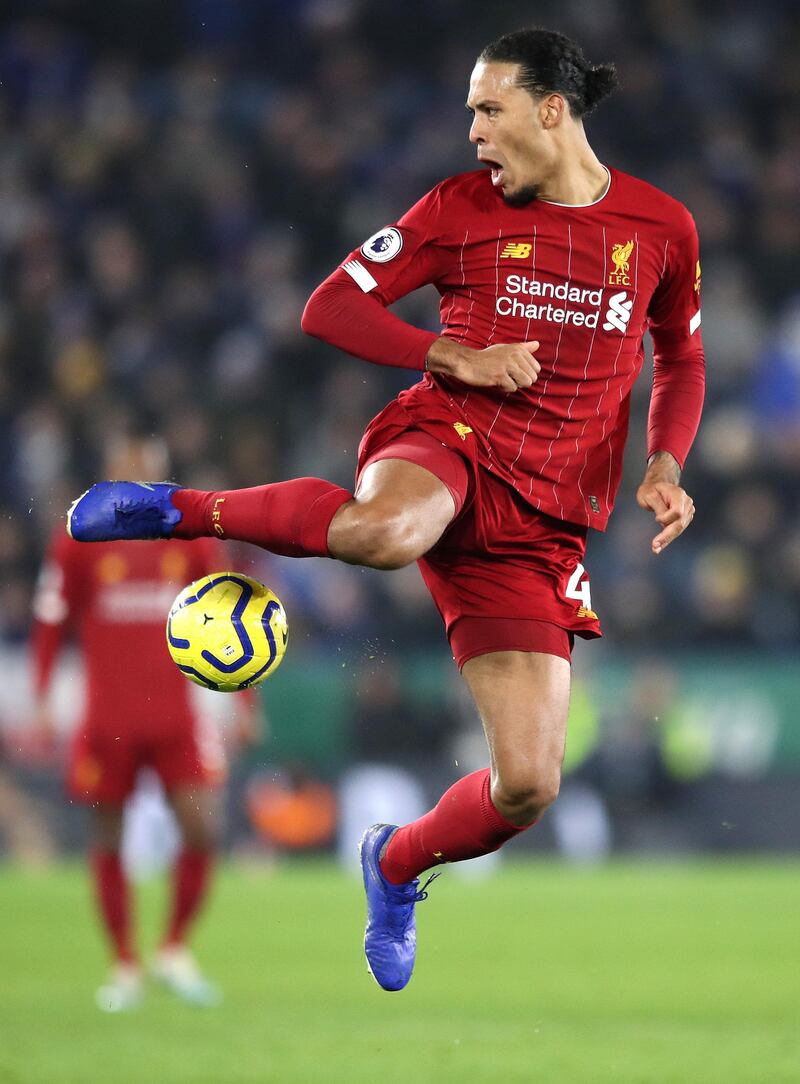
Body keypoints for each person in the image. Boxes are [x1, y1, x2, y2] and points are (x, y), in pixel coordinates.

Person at [65, 28, 703, 992]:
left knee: (527, 787)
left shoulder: (662, 228)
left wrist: (665, 459)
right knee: (383, 533)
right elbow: (329, 306)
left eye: (489, 108)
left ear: (552, 110)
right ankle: (175, 508)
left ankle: (395, 863)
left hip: (547, 519)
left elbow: (683, 358)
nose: (474, 128)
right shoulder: (458, 209)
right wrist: (453, 357)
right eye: (469, 111)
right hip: (448, 437)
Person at [33, 431, 255, 1010]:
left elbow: (235, 618)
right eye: (129, 471)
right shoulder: (79, 539)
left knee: (203, 829)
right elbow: (51, 623)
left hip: (178, 716)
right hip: (107, 718)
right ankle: (125, 964)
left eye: (149, 472)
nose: (139, 483)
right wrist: (41, 699)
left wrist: (244, 701)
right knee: (107, 836)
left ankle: (174, 947)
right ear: (109, 475)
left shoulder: (191, 537)